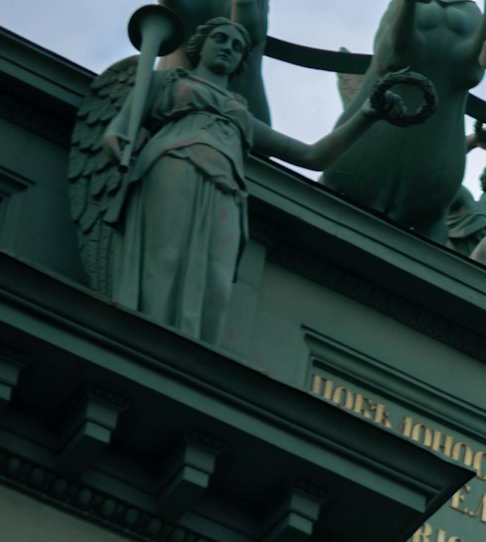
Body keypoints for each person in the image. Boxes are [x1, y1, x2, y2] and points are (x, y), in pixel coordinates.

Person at [103, 17, 397, 343]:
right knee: (167, 257)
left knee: (217, 278)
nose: (228, 48)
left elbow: (311, 155)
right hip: (175, 164)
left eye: (237, 47)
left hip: (227, 188)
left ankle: (196, 351)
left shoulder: (240, 114)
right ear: (199, 46)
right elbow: (118, 129)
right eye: (220, 39)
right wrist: (116, 137)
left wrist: (367, 115)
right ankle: (147, 340)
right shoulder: (167, 82)